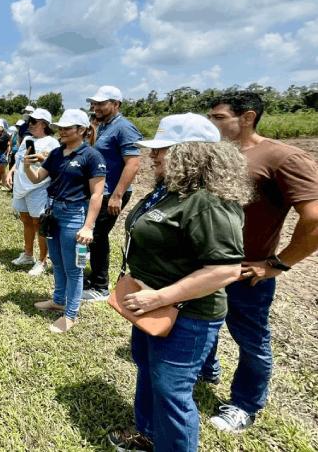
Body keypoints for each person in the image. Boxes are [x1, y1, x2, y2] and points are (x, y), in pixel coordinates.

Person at [108, 113, 250, 452]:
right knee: (148, 371)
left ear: (191, 153)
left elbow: (225, 270)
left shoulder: (208, 202)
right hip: (149, 303)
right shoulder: (169, 191)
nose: (154, 156)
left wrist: (160, 297)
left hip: (186, 315)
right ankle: (148, 434)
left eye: (163, 149)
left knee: (172, 391)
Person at [200, 92, 318, 432]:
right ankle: (206, 370)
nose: (213, 123)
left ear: (248, 117)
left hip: (246, 272)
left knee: (251, 339)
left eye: (219, 117)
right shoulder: (219, 154)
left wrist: (276, 264)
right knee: (202, 323)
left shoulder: (283, 157)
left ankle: (245, 403)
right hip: (205, 266)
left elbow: (313, 220)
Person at [24, 110, 106, 333]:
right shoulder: (56, 153)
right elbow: (37, 178)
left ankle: (70, 314)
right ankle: (58, 300)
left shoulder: (91, 156)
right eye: (60, 127)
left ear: (81, 130)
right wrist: (25, 166)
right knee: (57, 262)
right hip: (53, 212)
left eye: (67, 128)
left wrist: (88, 226)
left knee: (73, 269)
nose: (62, 131)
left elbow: (97, 194)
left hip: (74, 215)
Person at [83, 85, 142, 301]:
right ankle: (94, 277)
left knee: (97, 236)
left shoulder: (124, 128)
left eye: (100, 103)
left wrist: (117, 195)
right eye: (94, 103)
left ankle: (100, 286)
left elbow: (133, 163)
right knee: (94, 237)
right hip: (101, 191)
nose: (95, 107)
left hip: (112, 193)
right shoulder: (104, 126)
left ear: (115, 104)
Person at [7, 108, 60, 276]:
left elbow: (55, 164)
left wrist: (43, 157)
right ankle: (28, 254)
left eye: (33, 122)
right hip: (21, 186)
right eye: (29, 121)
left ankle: (42, 260)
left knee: (39, 223)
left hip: (38, 187)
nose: (29, 125)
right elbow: (20, 158)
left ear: (44, 124)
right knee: (25, 219)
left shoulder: (52, 142)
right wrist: (11, 171)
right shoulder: (27, 139)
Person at [0, 118, 11, 189]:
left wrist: (7, 155)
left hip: (2, 153)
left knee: (2, 170)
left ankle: (4, 185)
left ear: (2, 127)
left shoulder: (6, 135)